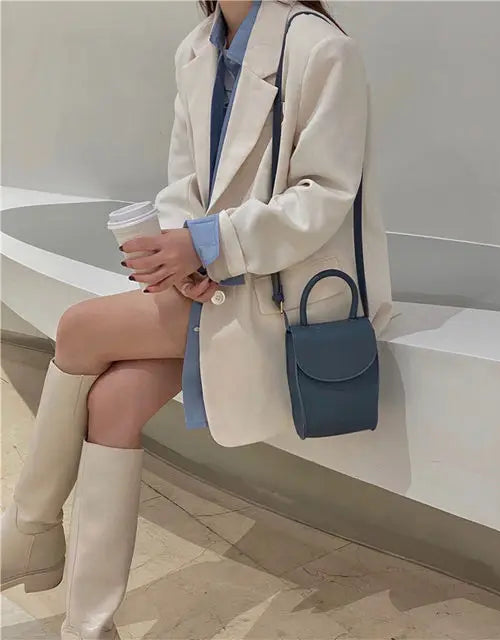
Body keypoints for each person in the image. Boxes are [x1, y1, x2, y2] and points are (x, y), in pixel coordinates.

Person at [0, 0, 393, 637]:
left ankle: (30, 529)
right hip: (217, 285)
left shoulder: (321, 48)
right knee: (113, 402)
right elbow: (183, 186)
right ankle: (88, 626)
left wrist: (209, 245)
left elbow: (325, 196)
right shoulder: (195, 51)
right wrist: (184, 254)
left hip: (285, 298)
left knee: (78, 329)